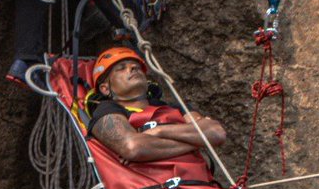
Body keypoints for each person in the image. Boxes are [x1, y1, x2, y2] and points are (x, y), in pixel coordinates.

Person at [86, 46, 226, 164]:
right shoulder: (106, 111)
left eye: (136, 66)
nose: (133, 68)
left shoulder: (174, 107)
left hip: (203, 188)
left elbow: (216, 133)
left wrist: (159, 131)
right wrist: (197, 141)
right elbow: (134, 148)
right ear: (105, 88)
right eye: (121, 68)